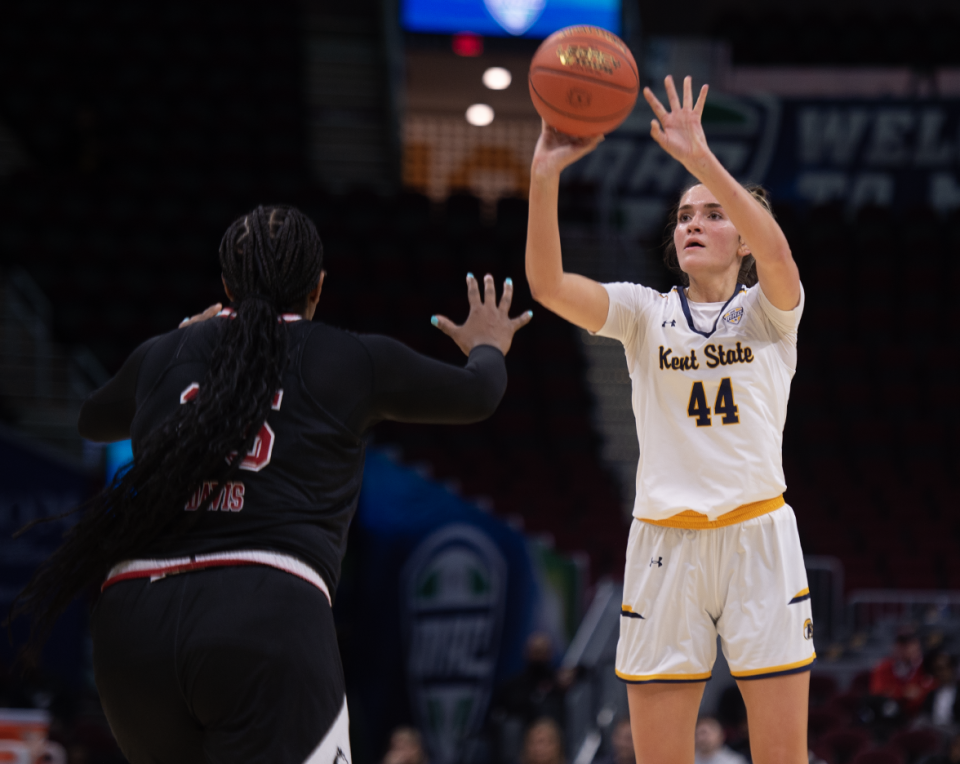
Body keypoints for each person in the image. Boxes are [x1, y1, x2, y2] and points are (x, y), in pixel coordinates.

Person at [10, 205, 532, 764]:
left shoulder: (166, 352)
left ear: (227, 285)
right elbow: (478, 394)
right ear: (318, 289)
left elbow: (94, 419)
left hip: (133, 621)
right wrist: (488, 343)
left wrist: (180, 344)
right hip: (263, 612)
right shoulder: (353, 357)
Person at [525, 75, 813, 764]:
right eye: (685, 215)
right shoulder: (643, 313)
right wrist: (542, 178)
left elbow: (777, 255)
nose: (692, 223)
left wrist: (700, 159)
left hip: (757, 537)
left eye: (713, 214)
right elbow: (548, 286)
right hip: (664, 543)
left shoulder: (770, 312)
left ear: (740, 236)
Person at [870, 630, 936, 719]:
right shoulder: (884, 668)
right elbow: (878, 694)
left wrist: (896, 694)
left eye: (908, 644)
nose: (902, 649)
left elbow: (927, 696)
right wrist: (904, 693)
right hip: (889, 716)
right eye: (900, 645)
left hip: (919, 715)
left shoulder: (927, 667)